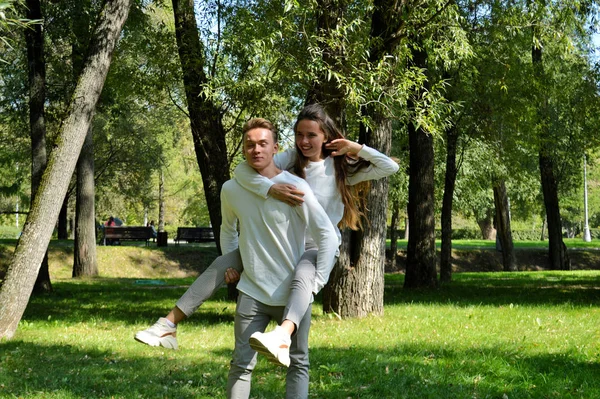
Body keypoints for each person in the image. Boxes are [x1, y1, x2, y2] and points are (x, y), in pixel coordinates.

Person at [134, 104, 399, 356]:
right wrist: (269, 188)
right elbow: (244, 169)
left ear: (326, 136)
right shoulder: (291, 161)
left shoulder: (342, 169)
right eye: (299, 135)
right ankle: (167, 325)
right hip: (281, 240)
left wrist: (356, 147)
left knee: (304, 275)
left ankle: (283, 335)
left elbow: (390, 167)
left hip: (316, 247)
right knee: (222, 262)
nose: (304, 142)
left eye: (311, 135)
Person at [221, 117, 337, 398]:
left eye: (263, 144)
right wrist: (230, 264)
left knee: (298, 363)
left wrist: (316, 282)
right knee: (241, 364)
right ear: (243, 150)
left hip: (292, 295)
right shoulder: (232, 188)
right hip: (252, 292)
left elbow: (327, 235)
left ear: (276, 148)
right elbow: (228, 230)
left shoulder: (295, 187)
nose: (256, 150)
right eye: (249, 145)